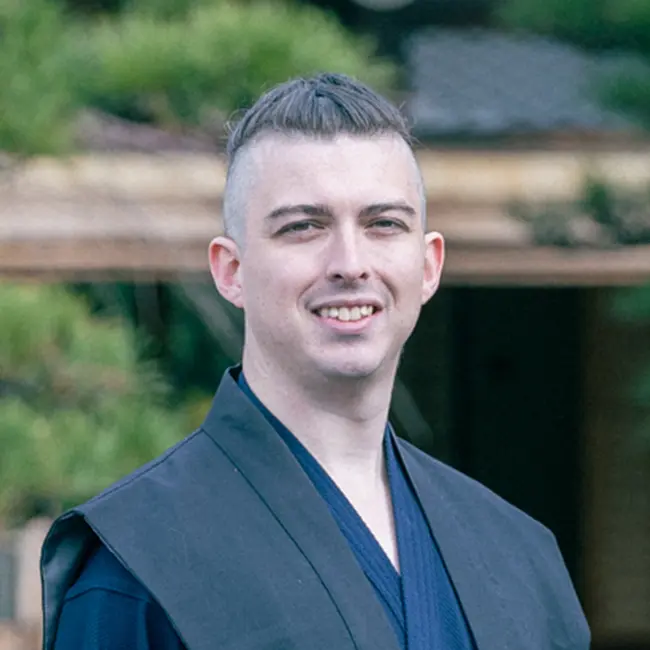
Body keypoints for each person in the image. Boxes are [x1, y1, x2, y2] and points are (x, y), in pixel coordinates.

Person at [41, 73, 590, 650]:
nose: (350, 263)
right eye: (303, 227)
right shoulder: (137, 563)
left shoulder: (519, 556)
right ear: (231, 271)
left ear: (428, 266)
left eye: (383, 224)